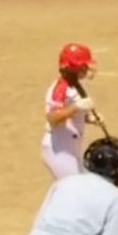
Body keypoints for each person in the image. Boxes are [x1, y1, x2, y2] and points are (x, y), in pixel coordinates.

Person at [41, 44, 99, 179]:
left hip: (71, 148)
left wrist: (89, 118)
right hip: (59, 149)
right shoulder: (60, 88)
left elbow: (73, 116)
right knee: (76, 187)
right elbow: (52, 118)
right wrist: (76, 107)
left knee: (86, 184)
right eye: (83, 66)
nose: (86, 69)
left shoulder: (76, 85)